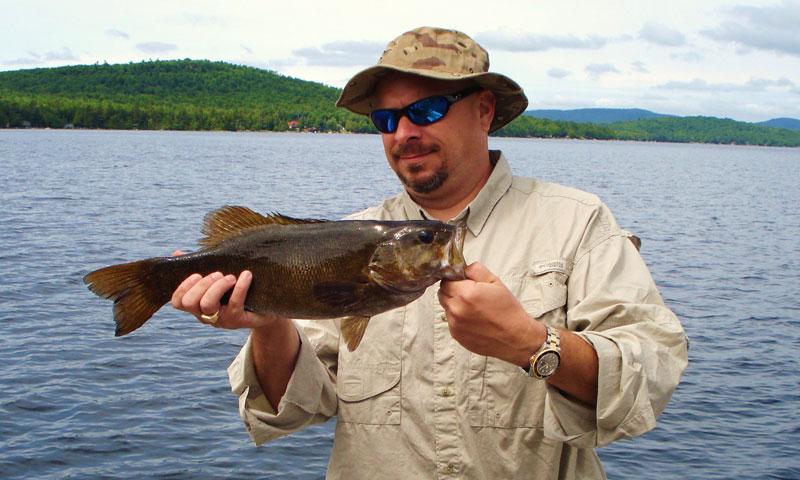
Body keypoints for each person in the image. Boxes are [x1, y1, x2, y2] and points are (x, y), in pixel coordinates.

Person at [170, 26, 688, 479]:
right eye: (385, 119)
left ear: (484, 111)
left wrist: (532, 343)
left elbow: (650, 375)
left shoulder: (578, 222)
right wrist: (270, 324)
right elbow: (292, 410)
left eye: (427, 110)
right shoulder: (344, 237)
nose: (404, 133)